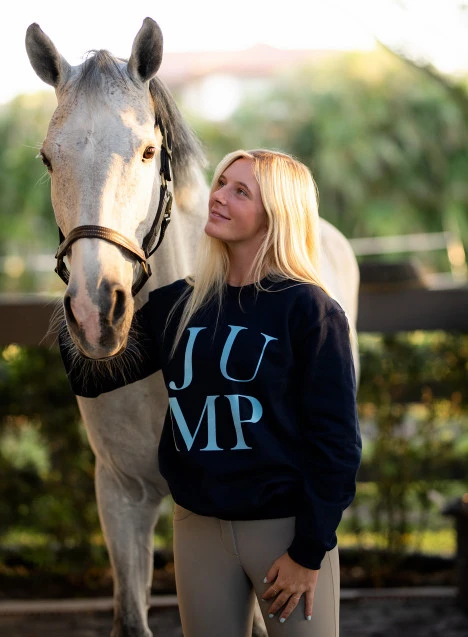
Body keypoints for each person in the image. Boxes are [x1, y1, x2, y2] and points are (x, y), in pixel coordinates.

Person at [59, 149, 362, 637]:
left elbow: (338, 445)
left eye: (240, 191)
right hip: (197, 532)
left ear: (276, 212)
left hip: (284, 532)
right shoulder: (180, 303)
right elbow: (90, 375)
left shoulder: (310, 309)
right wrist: (82, 270)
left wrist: (308, 552)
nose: (217, 196)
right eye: (221, 183)